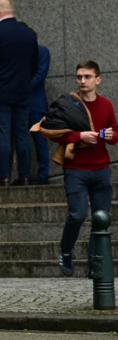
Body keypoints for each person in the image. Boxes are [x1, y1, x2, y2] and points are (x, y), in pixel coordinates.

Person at [50, 61, 117, 277]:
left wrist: (111, 136)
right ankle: (66, 251)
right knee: (77, 214)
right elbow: (54, 131)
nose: (82, 81)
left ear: (98, 79)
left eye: (87, 76)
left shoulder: (106, 104)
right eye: (79, 76)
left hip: (101, 169)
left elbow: (115, 132)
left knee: (101, 217)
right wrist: (78, 136)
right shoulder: (69, 103)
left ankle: (94, 265)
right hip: (75, 169)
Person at [0, 0, 39, 186]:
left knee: (2, 134)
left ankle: (3, 176)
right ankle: (25, 175)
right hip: (22, 92)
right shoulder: (28, 33)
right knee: (22, 133)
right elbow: (34, 63)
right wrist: (25, 82)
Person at [29, 44, 51, 185]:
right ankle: (24, 174)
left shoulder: (41, 51)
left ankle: (43, 174)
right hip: (19, 106)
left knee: (40, 141)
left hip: (36, 104)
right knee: (22, 142)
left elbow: (40, 75)